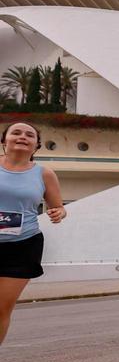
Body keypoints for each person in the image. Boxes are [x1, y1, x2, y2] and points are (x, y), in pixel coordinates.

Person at [0, 122, 66, 345]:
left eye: (29, 135)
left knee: (2, 309)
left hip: (23, 245)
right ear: (4, 140)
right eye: (16, 132)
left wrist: (59, 213)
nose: (22, 137)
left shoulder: (44, 173)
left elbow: (58, 206)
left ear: (36, 145)